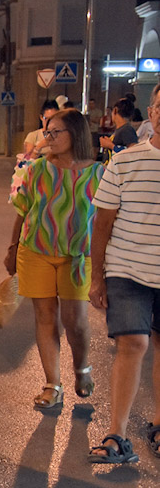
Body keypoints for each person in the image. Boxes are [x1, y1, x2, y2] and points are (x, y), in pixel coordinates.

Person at [5, 109, 103, 408]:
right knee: (45, 317)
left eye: (55, 132)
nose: (48, 138)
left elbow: (106, 222)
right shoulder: (35, 170)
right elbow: (23, 211)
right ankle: (52, 384)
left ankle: (82, 368)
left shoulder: (99, 174)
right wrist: (12, 249)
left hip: (78, 256)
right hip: (36, 251)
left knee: (75, 320)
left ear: (76, 133)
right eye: (46, 132)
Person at [86, 85, 160, 465]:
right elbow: (102, 224)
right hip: (127, 268)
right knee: (133, 343)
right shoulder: (125, 161)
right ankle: (118, 434)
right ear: (151, 112)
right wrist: (97, 277)